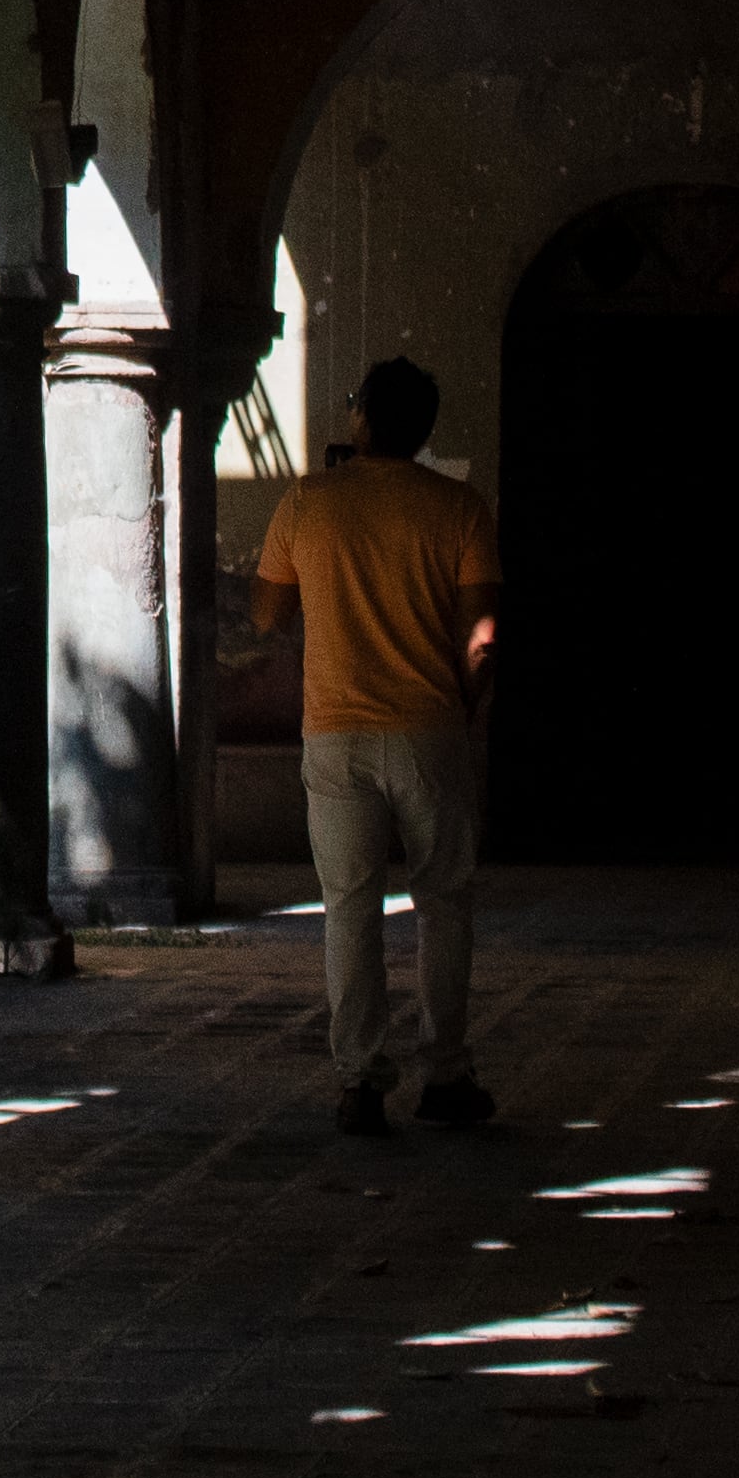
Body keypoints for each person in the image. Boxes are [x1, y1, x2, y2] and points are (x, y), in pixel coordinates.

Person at [249, 355, 501, 1134]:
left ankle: (359, 1082)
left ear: (360, 420)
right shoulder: (458, 508)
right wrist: (460, 707)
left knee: (350, 910)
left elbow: (265, 617)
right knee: (443, 905)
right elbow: (483, 637)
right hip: (430, 731)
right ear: (423, 430)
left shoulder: (307, 503)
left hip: (335, 737)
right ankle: (447, 1076)